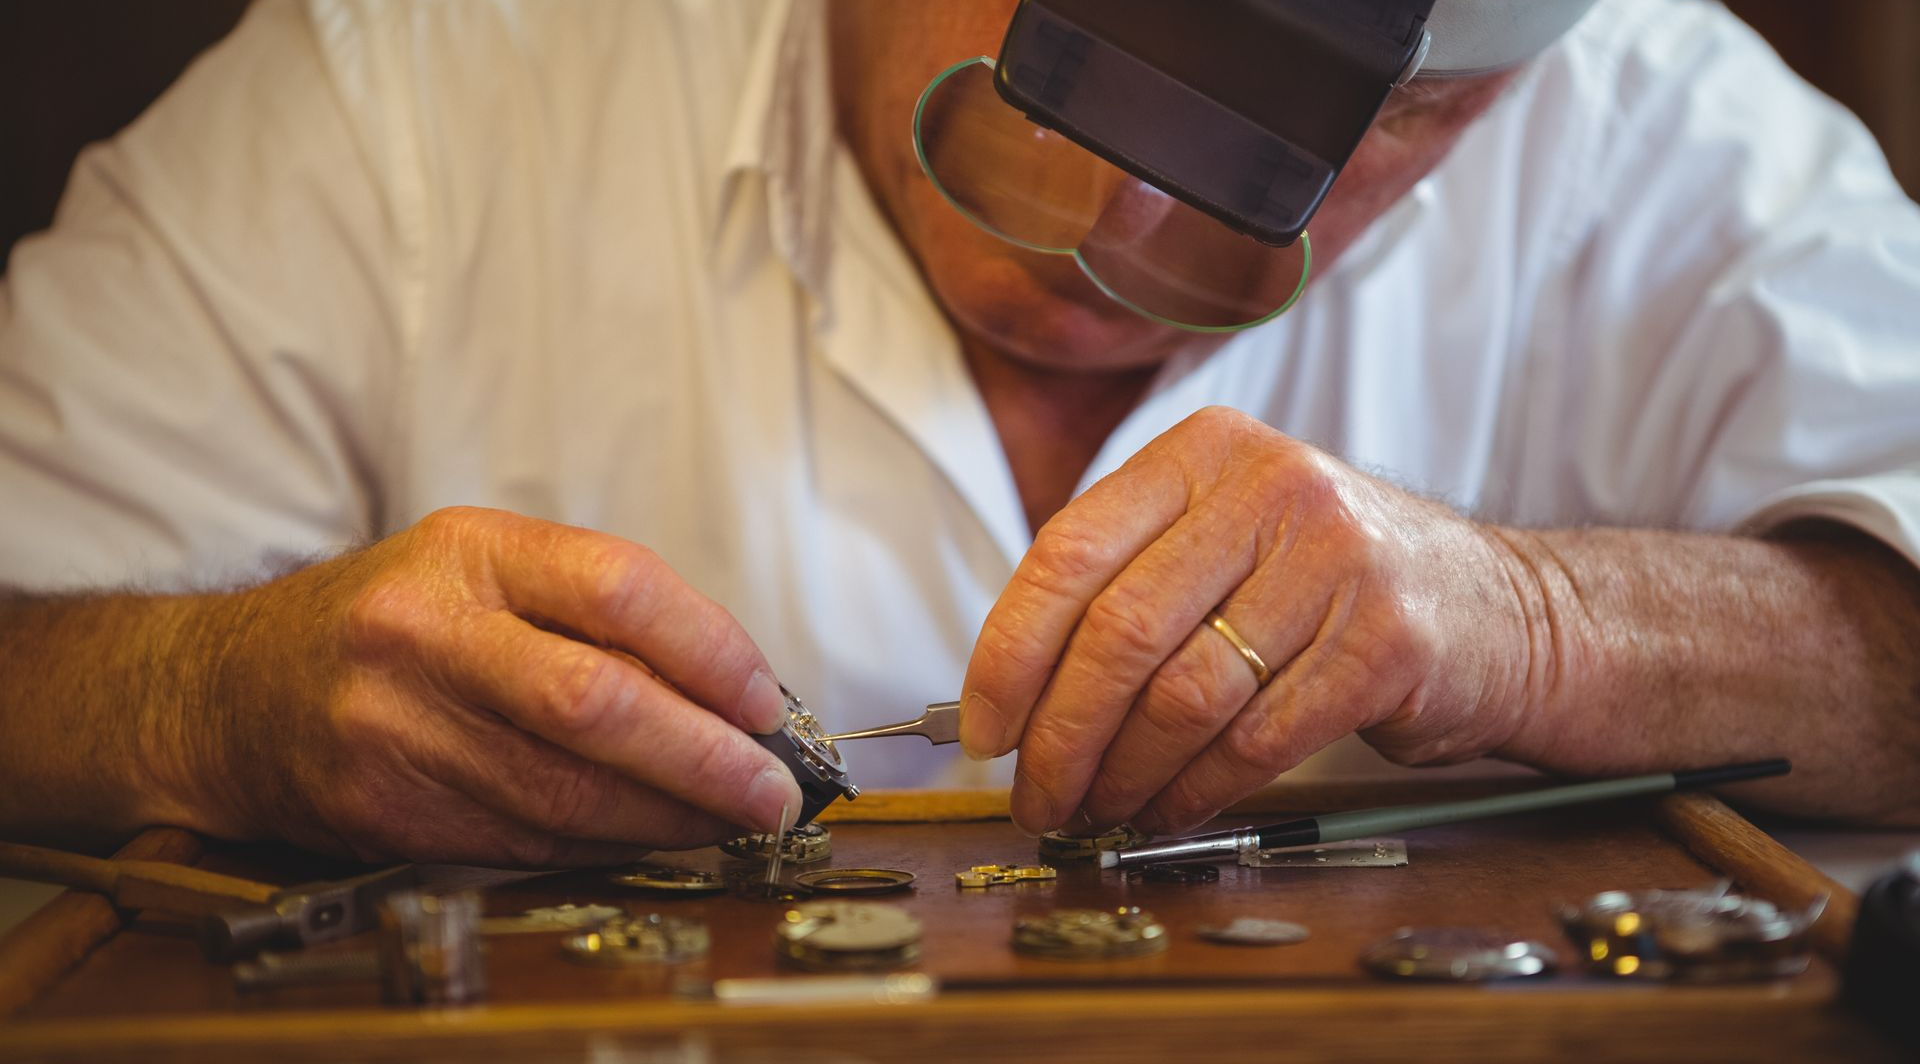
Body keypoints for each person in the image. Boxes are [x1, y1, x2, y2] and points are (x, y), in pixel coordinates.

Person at [1, 0, 1916, 867]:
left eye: (1361, 141)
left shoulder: (1672, 130)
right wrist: (209, 696)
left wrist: (1541, 628)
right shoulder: (408, 86)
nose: (1129, 235)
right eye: (1071, 71)